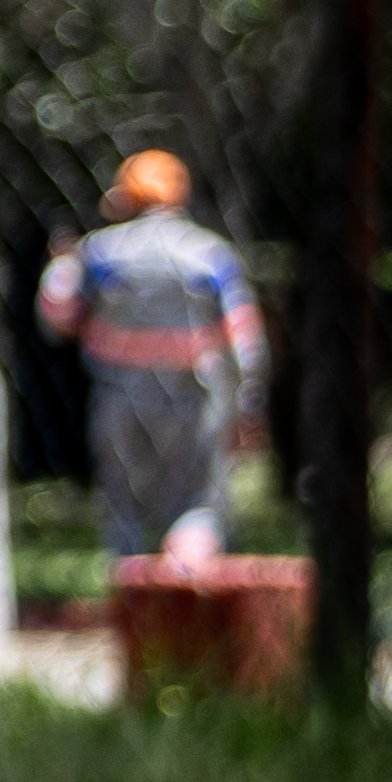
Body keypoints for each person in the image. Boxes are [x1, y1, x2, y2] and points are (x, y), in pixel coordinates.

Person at [38, 149, 265, 562]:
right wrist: (248, 406)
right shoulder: (209, 254)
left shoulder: (100, 253)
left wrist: (59, 267)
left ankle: (131, 602)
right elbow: (244, 339)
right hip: (193, 394)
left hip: (119, 394)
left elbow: (58, 317)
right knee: (197, 504)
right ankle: (188, 591)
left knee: (123, 506)